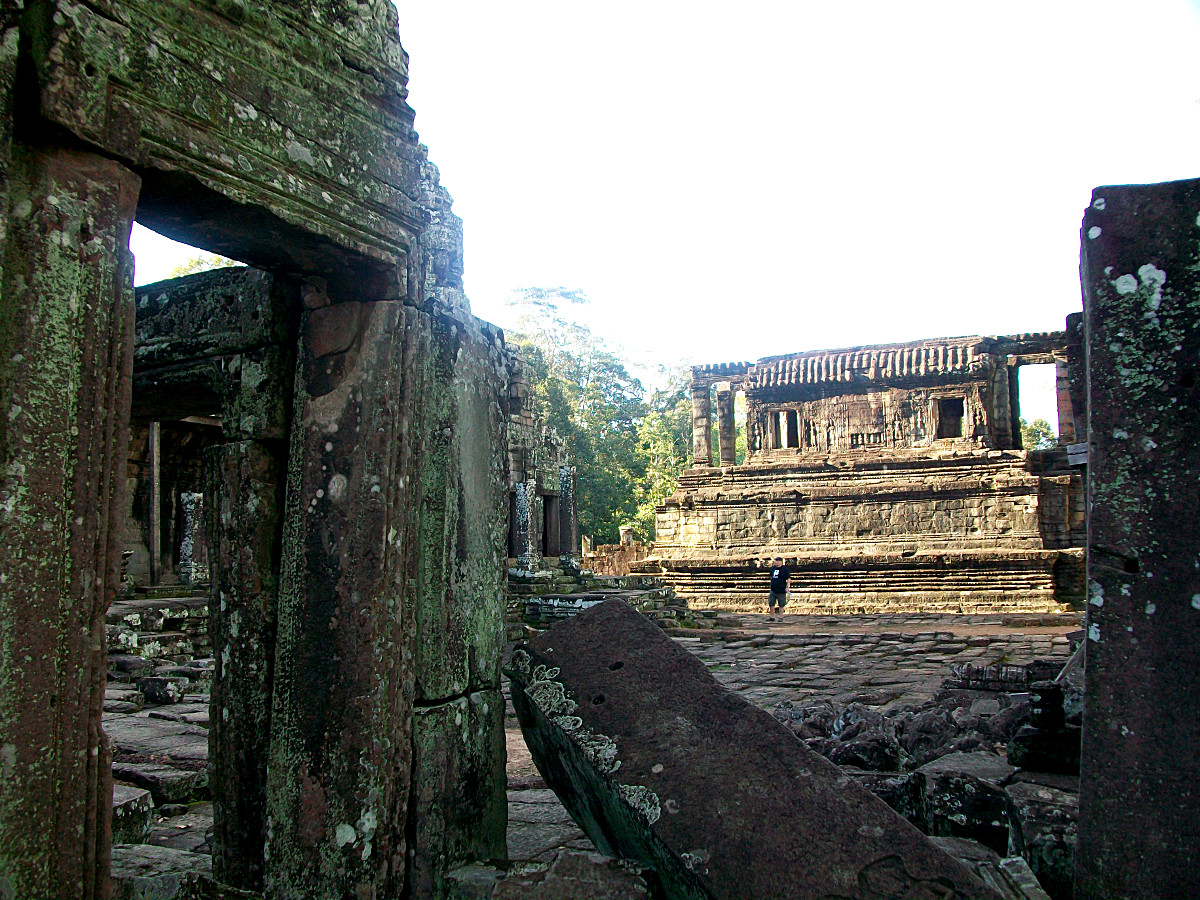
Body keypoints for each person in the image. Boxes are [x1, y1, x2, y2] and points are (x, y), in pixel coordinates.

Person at [767, 555, 789, 621]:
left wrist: (787, 587)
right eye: (777, 561)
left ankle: (781, 617)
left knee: (781, 604)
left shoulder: (785, 569)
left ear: (781, 562)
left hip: (781, 590)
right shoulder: (773, 569)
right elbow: (771, 577)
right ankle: (772, 617)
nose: (778, 563)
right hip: (773, 589)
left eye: (779, 561)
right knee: (771, 603)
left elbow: (788, 578)